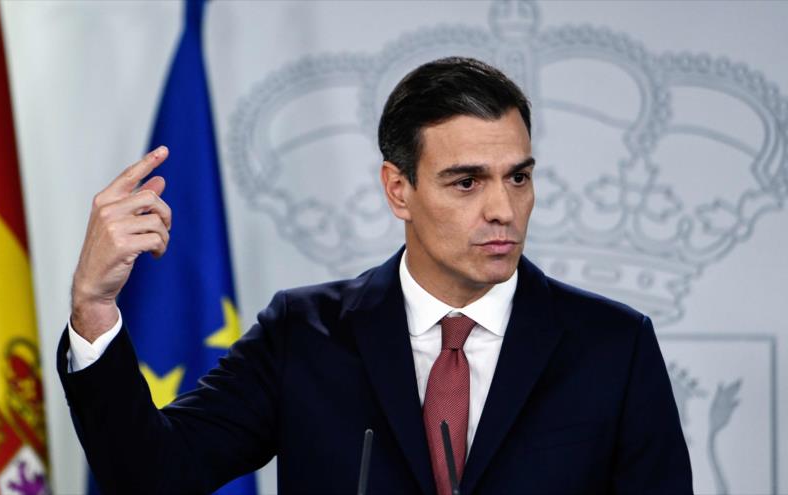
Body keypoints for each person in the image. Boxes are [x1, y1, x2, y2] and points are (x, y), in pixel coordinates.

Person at [59, 57, 693, 494]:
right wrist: (93, 307)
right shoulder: (303, 335)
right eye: (467, 182)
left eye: (518, 177)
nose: (503, 209)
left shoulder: (614, 346)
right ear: (398, 189)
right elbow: (155, 477)